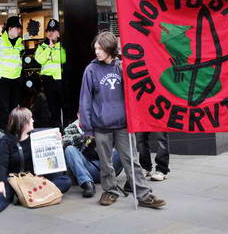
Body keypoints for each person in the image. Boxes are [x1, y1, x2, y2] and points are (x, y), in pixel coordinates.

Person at [79, 31, 165, 209]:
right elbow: (85, 100)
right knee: (106, 163)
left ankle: (143, 195)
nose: (97, 52)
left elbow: (136, 93)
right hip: (101, 126)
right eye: (95, 48)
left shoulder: (122, 67)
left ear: (110, 48)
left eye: (100, 48)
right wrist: (88, 128)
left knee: (131, 160)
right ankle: (110, 191)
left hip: (124, 125)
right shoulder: (91, 70)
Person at [0, 106, 71, 215]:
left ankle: (20, 196)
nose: (33, 120)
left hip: (34, 179)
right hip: (14, 180)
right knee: (4, 189)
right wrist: (0, 183)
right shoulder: (6, 140)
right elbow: (2, 165)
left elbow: (51, 158)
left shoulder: (36, 137)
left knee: (65, 181)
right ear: (23, 122)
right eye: (30, 118)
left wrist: (56, 141)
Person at [62, 117, 122, 198]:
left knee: (124, 145)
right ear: (78, 115)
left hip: (109, 165)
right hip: (89, 167)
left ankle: (132, 181)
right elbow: (64, 142)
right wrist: (84, 137)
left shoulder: (105, 122)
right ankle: (87, 183)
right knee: (69, 149)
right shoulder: (72, 127)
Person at [34, 19, 66, 129]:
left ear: (59, 32)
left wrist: (51, 56)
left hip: (62, 80)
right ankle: (58, 131)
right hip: (48, 81)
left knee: (65, 108)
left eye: (54, 30)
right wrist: (49, 49)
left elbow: (63, 59)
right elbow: (39, 59)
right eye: (49, 31)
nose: (51, 33)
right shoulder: (42, 46)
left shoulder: (63, 45)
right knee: (53, 109)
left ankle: (67, 131)